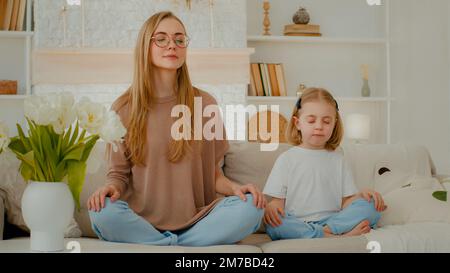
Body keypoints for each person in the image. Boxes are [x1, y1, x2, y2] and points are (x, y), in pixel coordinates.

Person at [87, 11, 265, 246]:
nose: (172, 45)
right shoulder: (123, 107)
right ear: (145, 46)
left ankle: (160, 245)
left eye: (179, 39)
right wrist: (108, 189)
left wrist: (236, 188)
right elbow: (118, 175)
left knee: (251, 207)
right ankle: (180, 244)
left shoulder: (206, 104)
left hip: (199, 220)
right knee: (102, 212)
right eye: (161, 39)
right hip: (141, 220)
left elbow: (213, 174)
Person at [263, 87, 386, 240]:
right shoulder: (286, 159)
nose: (319, 126)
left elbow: (346, 202)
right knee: (275, 224)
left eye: (326, 121)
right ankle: (335, 236)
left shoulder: (339, 160)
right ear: (298, 123)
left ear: (334, 124)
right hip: (297, 222)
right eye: (311, 120)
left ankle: (324, 232)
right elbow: (277, 202)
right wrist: (272, 208)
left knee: (371, 206)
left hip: (332, 220)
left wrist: (362, 195)